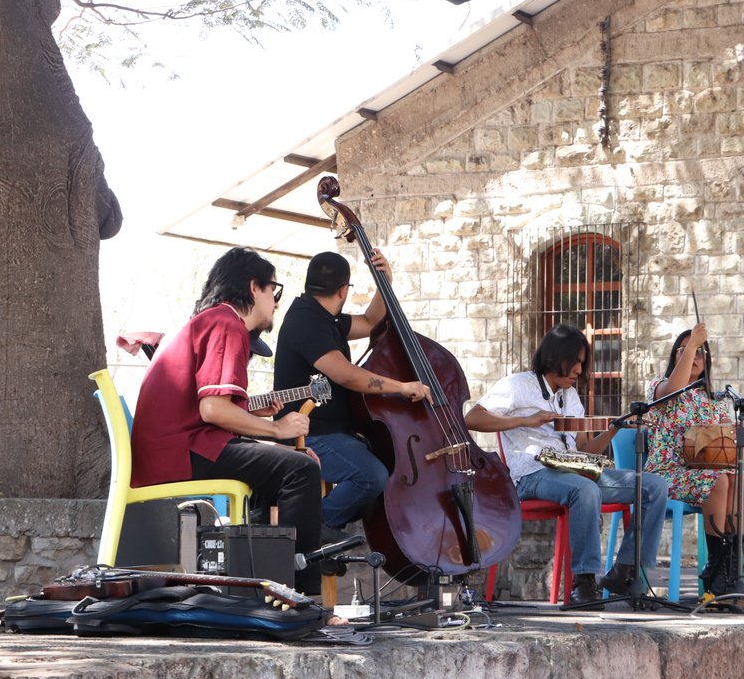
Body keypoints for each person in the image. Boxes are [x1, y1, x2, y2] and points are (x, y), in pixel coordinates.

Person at [130, 247, 323, 595]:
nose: (276, 303)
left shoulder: (210, 320)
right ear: (254, 287)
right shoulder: (226, 322)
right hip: (179, 451)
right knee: (301, 470)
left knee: (287, 469)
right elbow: (213, 411)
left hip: (173, 448)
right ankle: (300, 595)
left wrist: (255, 421)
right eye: (274, 291)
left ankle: (264, 587)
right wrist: (278, 429)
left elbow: (208, 409)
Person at [464, 324, 669, 604]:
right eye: (575, 362)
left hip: (574, 470)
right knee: (585, 490)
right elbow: (472, 418)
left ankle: (626, 570)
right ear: (556, 356)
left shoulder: (570, 396)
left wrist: (614, 429)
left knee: (654, 485)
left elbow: (584, 449)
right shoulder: (517, 385)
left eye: (582, 364)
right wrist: (525, 420)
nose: (578, 371)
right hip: (533, 474)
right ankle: (583, 582)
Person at [273, 250, 431, 543]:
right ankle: (313, 528)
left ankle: (326, 532)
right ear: (344, 290)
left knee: (387, 473)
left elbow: (371, 321)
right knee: (371, 476)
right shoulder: (307, 322)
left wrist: (385, 281)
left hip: (333, 432)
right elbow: (346, 374)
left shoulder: (325, 318)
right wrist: (401, 386)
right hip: (308, 434)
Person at [643, 323, 744, 594]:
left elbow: (731, 449)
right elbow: (673, 389)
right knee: (718, 480)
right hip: (665, 474)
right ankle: (716, 567)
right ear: (674, 358)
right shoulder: (659, 386)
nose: (693, 358)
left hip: (704, 474)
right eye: (684, 352)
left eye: (699, 353)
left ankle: (730, 565)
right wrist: (693, 342)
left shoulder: (715, 400)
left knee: (738, 476)